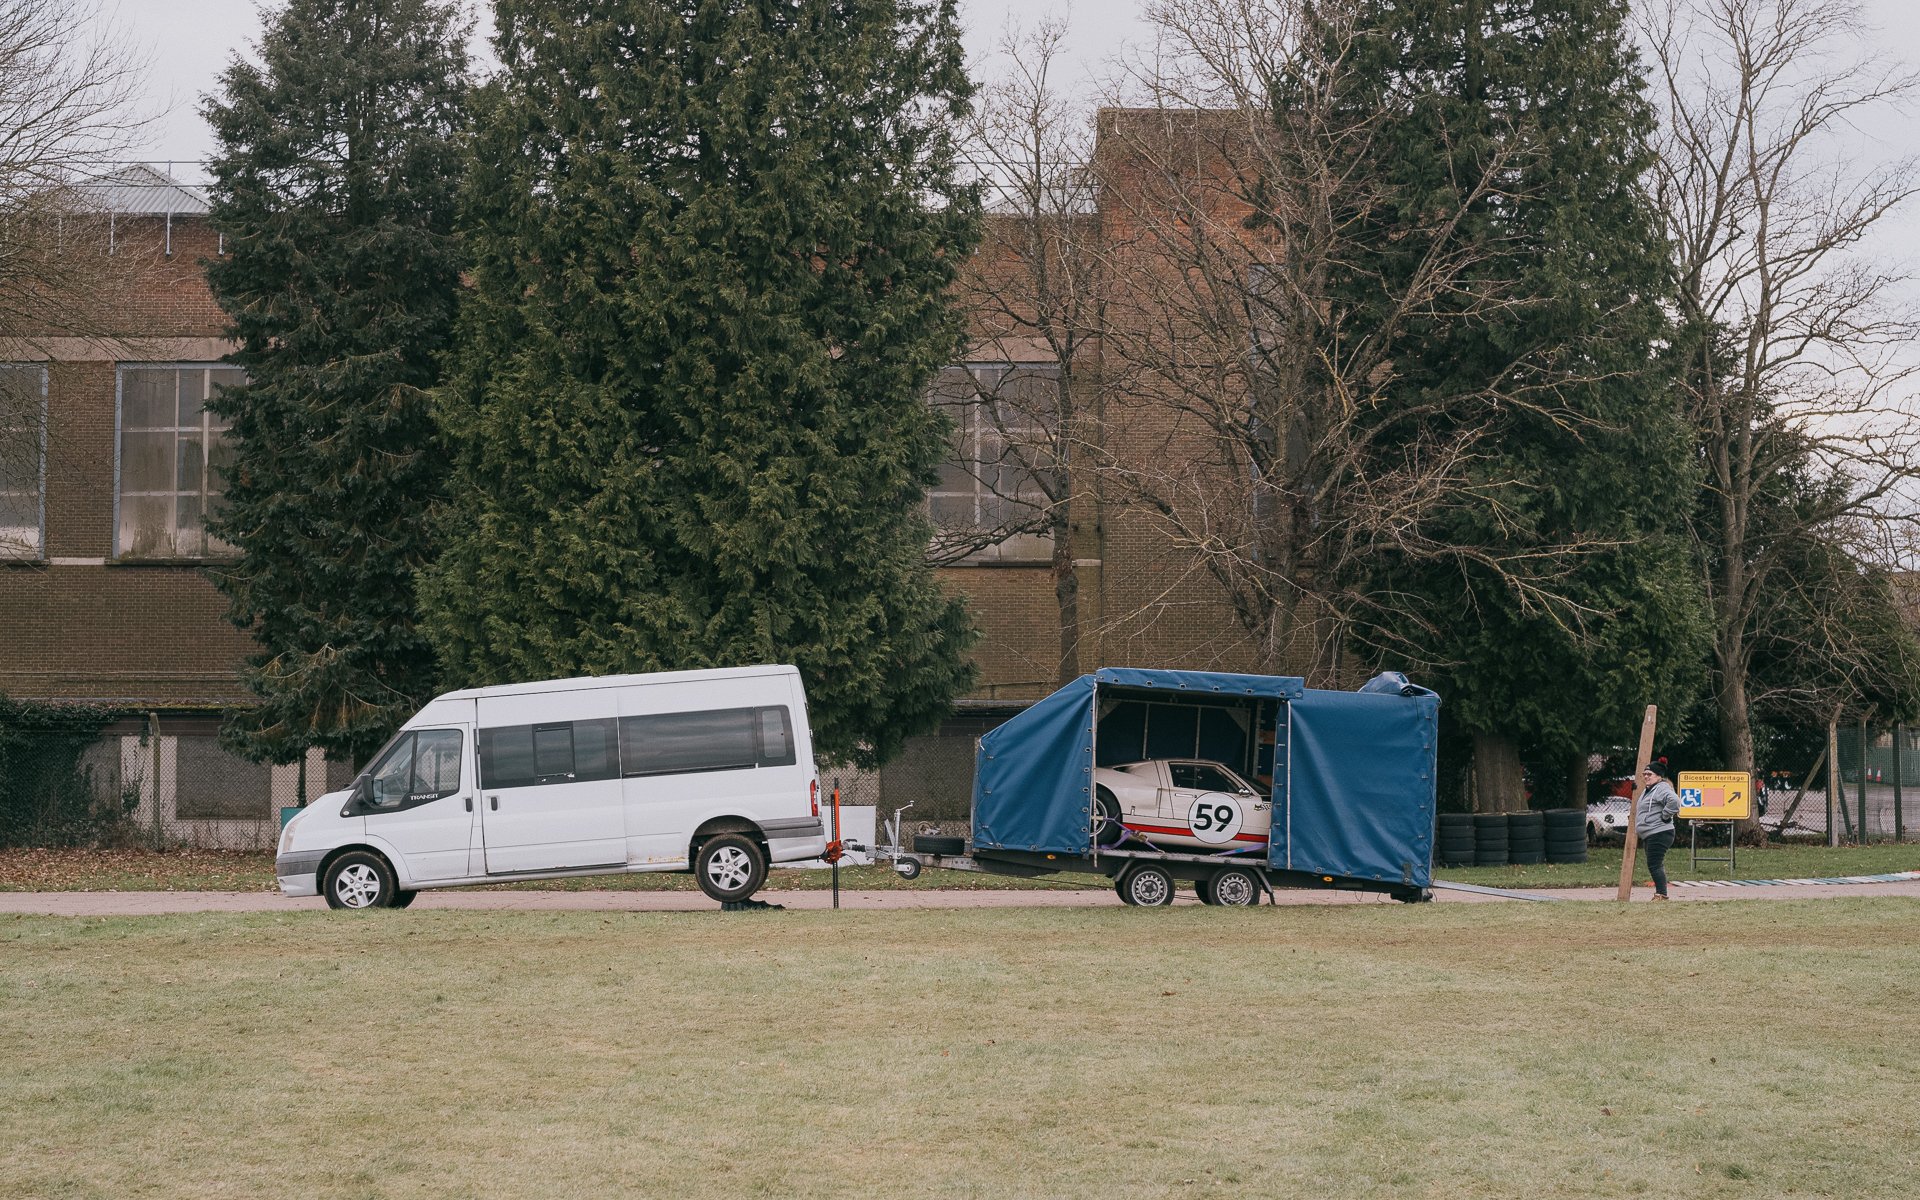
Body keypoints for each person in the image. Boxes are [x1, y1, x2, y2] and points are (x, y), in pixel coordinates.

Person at [1637, 762, 1682, 900]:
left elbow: (1675, 801)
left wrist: (1665, 815)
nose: (1646, 776)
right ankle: (1661, 893)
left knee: (1654, 864)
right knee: (1655, 864)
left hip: (1660, 832)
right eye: (1644, 774)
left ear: (1658, 776)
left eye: (1649, 774)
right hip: (1651, 833)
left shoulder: (1661, 788)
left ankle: (1662, 894)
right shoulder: (1649, 789)